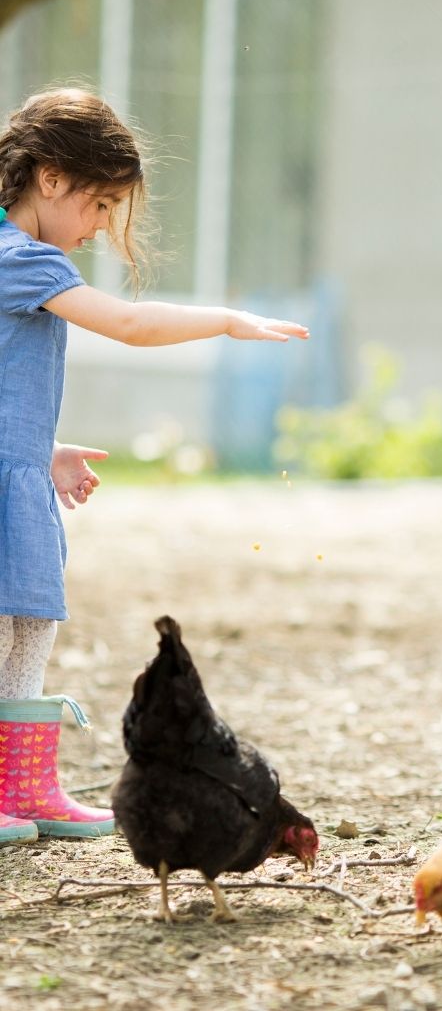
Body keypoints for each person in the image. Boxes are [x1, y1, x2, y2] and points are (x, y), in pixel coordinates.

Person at [0, 88, 309, 843]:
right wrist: (228, 320)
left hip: (17, 474)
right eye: (99, 204)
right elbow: (132, 325)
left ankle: (26, 786)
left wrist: (44, 448)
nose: (102, 225)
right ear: (49, 178)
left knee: (33, 621)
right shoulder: (22, 260)